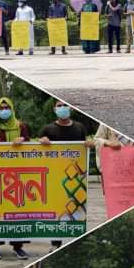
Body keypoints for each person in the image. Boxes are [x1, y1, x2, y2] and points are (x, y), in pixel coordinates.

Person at [38, 100, 94, 251]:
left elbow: (86, 144)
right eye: (59, 105)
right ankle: (55, 244)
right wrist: (41, 141)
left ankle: (78, 242)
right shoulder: (47, 129)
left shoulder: (79, 127)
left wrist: (89, 144)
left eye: (65, 105)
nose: (63, 108)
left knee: (78, 208)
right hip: (55, 177)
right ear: (54, 109)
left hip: (76, 177)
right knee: (57, 208)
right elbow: (37, 149)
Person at [0, 97, 31, 260]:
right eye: (0, 109)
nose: (3, 111)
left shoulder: (21, 126)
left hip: (17, 175)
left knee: (17, 211)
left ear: (12, 109)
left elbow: (32, 148)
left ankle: (18, 246)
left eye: (6, 108)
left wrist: (23, 141)